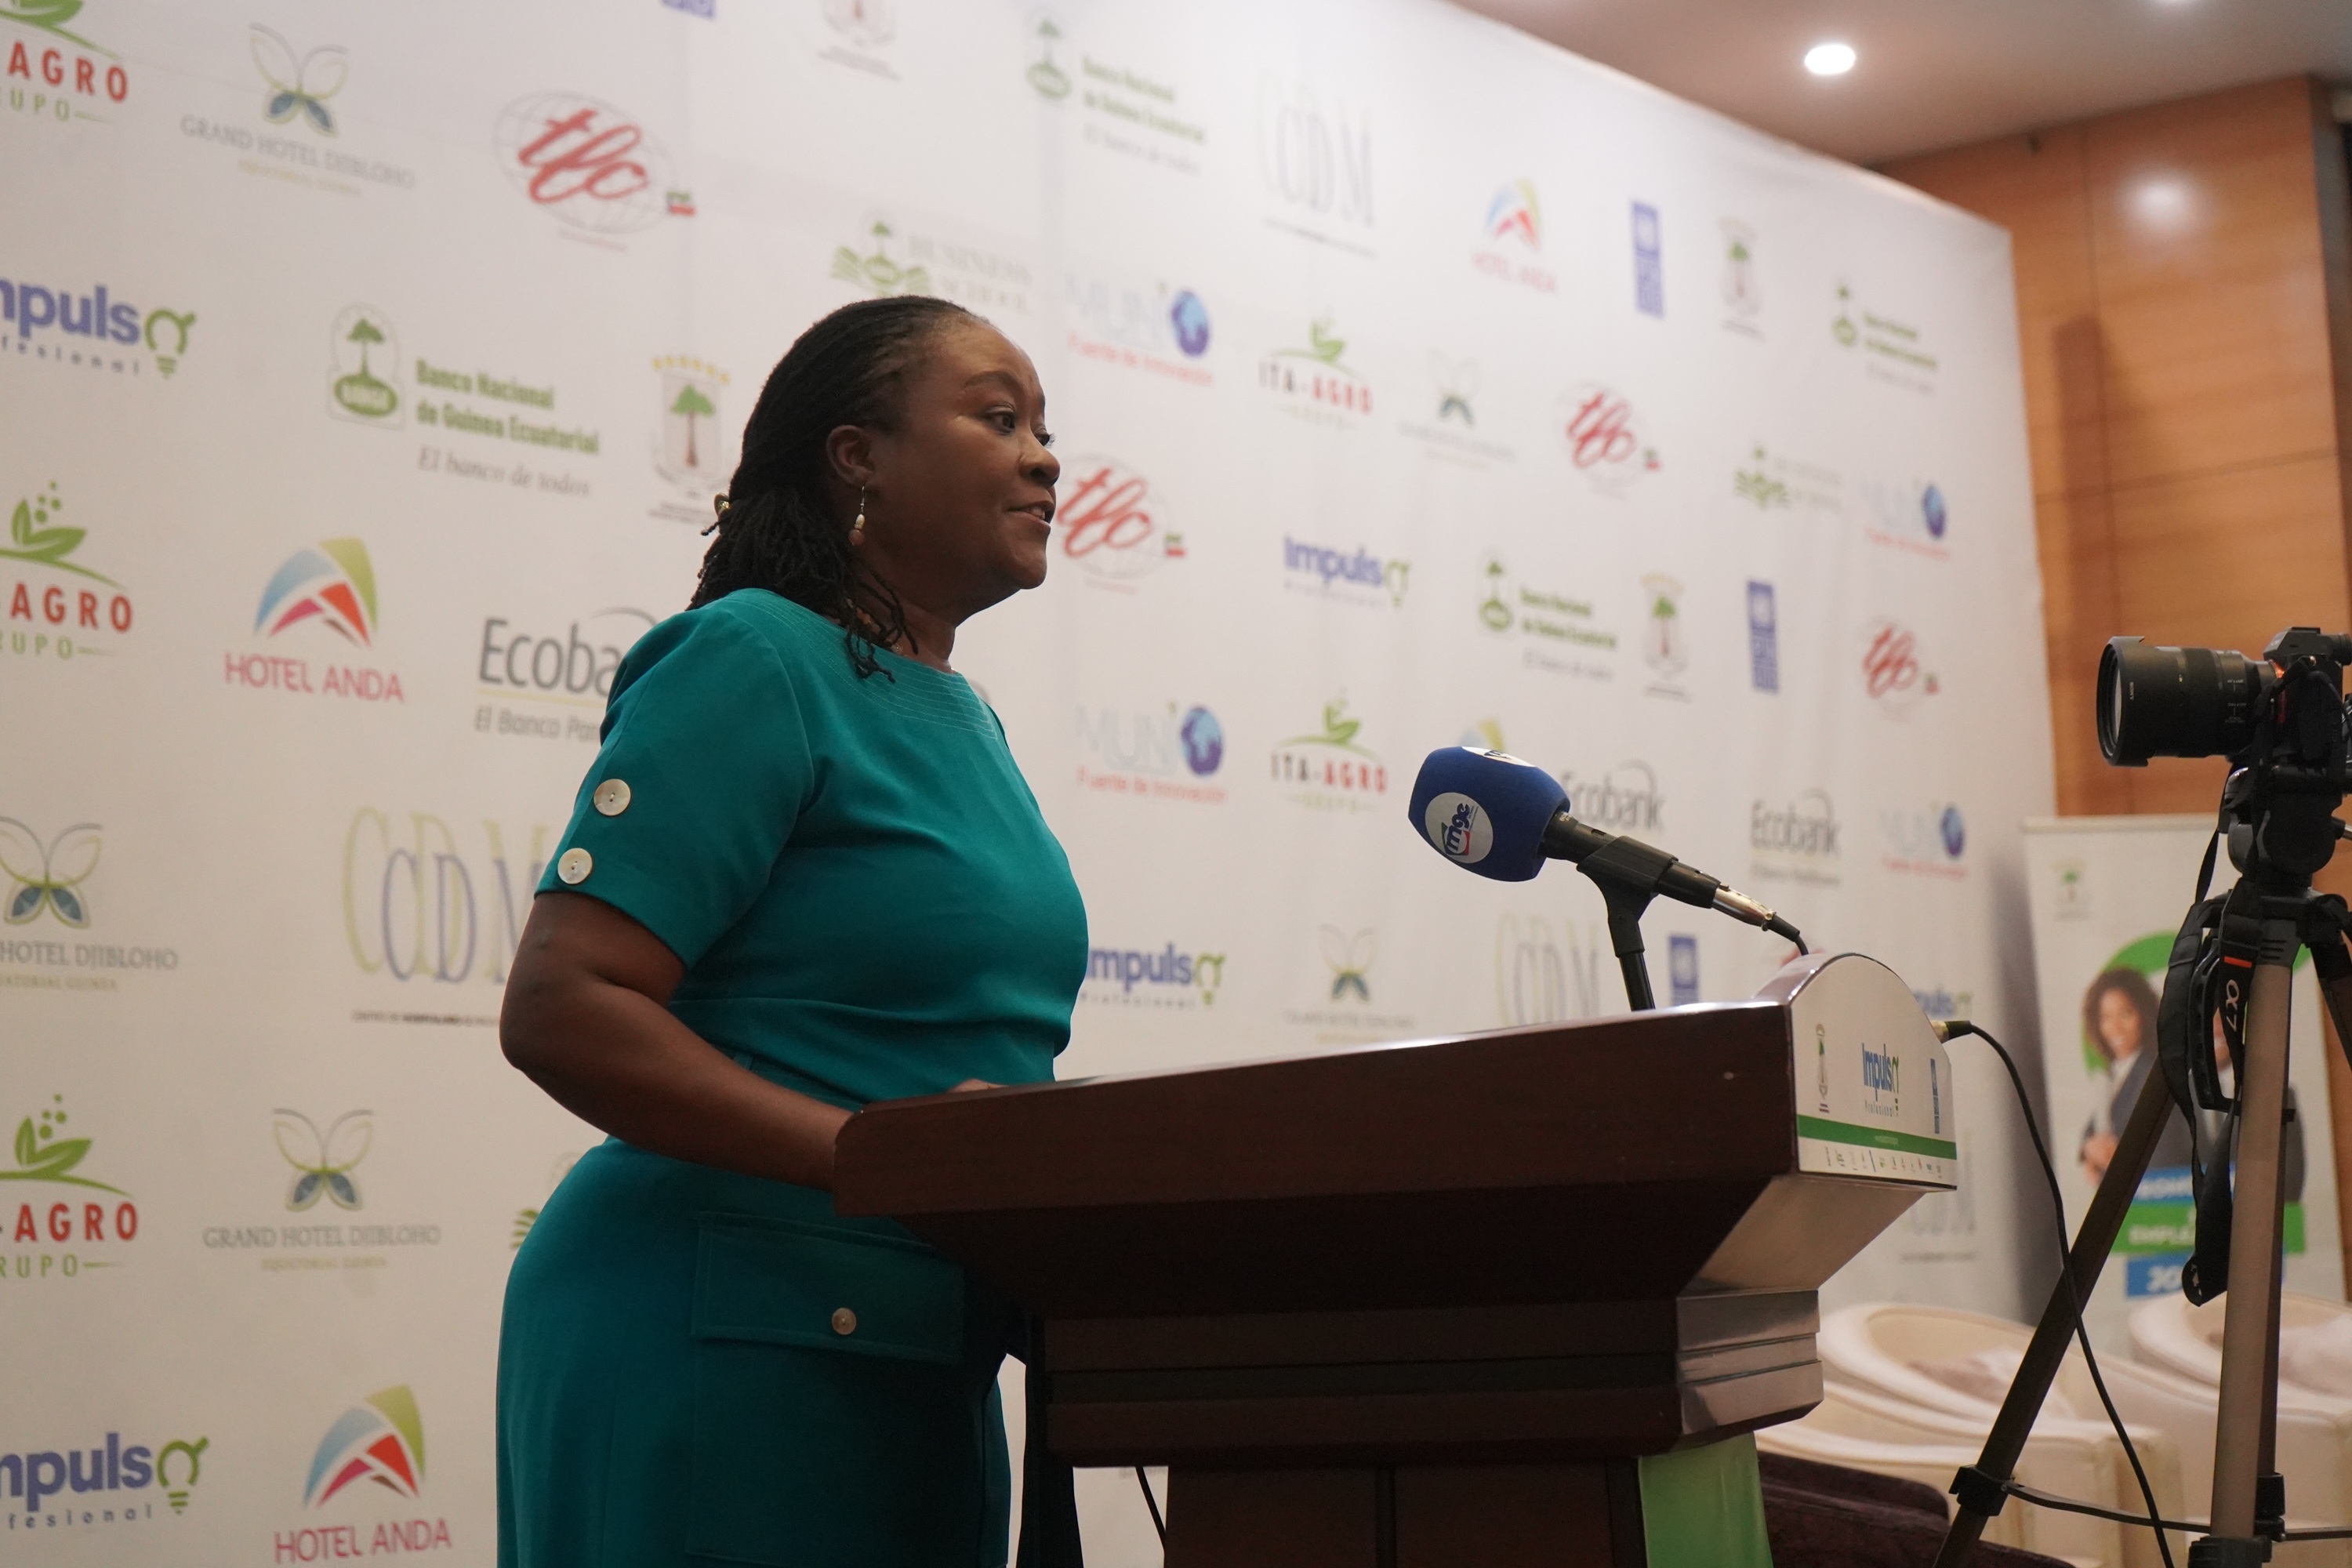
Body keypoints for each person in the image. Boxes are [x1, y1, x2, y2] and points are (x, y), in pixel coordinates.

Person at [495, 296, 1086, 1568]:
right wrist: (884, 1160)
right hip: (723, 1335)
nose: (1045, 458)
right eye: (999, 419)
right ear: (857, 455)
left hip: (914, 1346)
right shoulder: (754, 656)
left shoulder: (964, 716)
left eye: (1046, 428)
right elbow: (564, 1003)